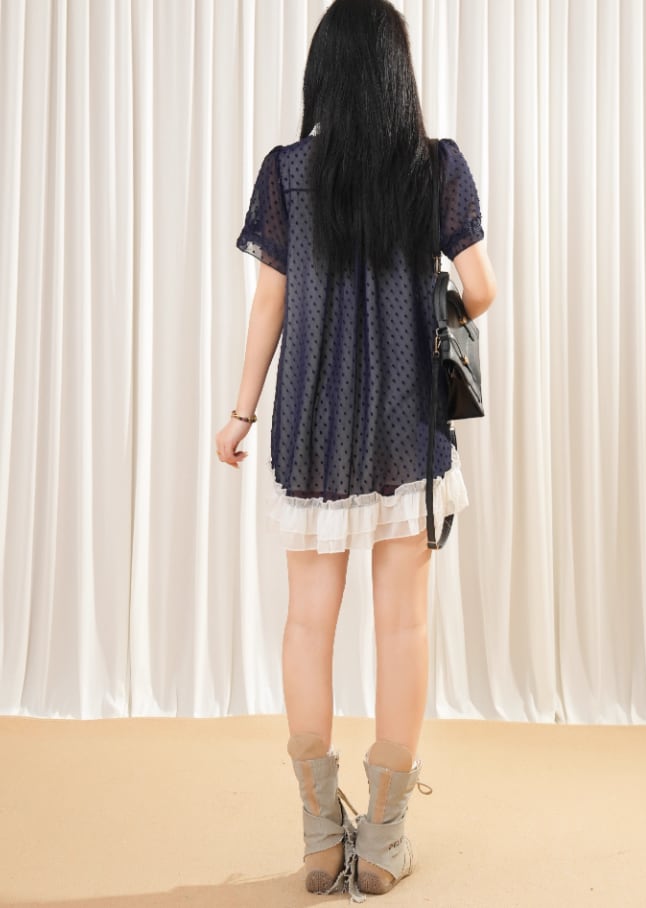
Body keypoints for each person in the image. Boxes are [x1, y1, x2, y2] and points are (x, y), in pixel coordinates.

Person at [215, 0, 496, 898]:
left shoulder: (287, 172)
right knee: (402, 622)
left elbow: (269, 304)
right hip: (405, 422)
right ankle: (382, 842)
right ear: (395, 74)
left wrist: (240, 412)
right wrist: (417, 298)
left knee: (307, 621)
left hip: (312, 419)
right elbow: (481, 290)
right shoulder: (434, 167)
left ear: (324, 74)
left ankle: (315, 839)